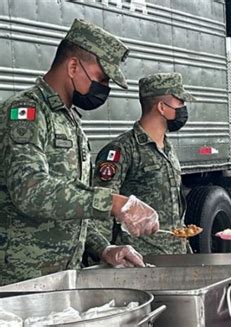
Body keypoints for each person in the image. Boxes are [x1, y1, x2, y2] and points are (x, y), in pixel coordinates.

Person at [0, 19, 159, 286]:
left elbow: (70, 208)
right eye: (102, 78)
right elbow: (31, 191)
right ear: (73, 66)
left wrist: (104, 248)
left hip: (61, 279)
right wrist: (115, 203)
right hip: (21, 283)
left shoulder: (70, 120)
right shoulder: (26, 113)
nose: (104, 88)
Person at [94, 73, 194, 255]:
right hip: (141, 258)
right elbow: (102, 207)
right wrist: (105, 253)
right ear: (162, 107)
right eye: (180, 102)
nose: (183, 108)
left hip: (175, 254)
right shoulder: (122, 150)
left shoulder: (167, 147)